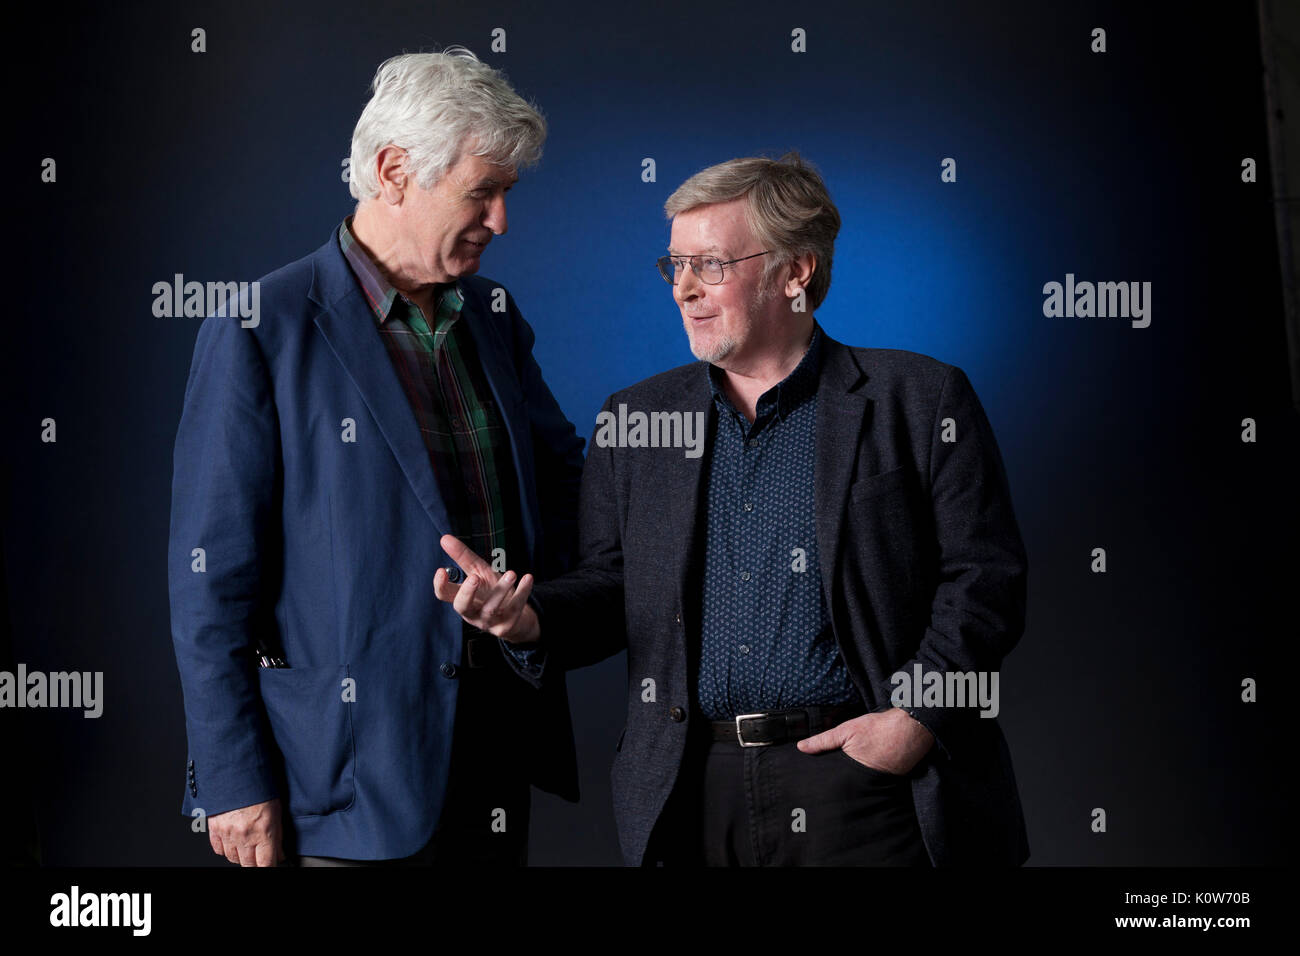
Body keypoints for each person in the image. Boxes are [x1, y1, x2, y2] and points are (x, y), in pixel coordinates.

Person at [436, 151, 1030, 866]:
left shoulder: (920, 400)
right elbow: (614, 589)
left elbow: (985, 580)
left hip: (866, 783)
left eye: (710, 264)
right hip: (691, 790)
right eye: (674, 265)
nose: (684, 288)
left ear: (795, 271)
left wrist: (915, 721)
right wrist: (526, 621)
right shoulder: (636, 420)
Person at [168, 47, 584, 867]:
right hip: (339, 777)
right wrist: (230, 779)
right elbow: (209, 581)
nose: (502, 221)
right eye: (483, 192)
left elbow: (565, 484)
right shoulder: (261, 326)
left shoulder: (493, 315)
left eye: (508, 194)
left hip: (492, 751)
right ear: (394, 171)